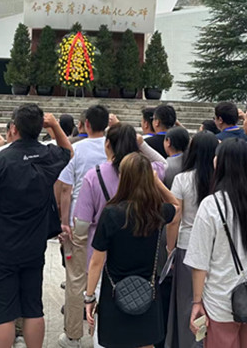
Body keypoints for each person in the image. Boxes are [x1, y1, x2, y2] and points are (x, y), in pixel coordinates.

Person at [0, 105, 73, 348]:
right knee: (33, 307)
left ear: (13, 128)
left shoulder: (0, 160)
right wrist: (55, 125)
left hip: (2, 244)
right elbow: (68, 151)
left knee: (3, 313)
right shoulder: (47, 156)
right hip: (34, 244)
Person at [84, 153, 180, 348]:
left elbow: (96, 261)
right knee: (146, 343)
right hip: (148, 290)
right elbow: (177, 207)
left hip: (114, 292)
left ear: (123, 177)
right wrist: (157, 183)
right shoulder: (156, 211)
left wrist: (89, 296)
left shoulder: (111, 213)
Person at [185, 138, 247, 348]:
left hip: (220, 297)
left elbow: (199, 261)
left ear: (219, 163)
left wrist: (197, 301)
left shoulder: (211, 205)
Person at [75, 124, 166, 265]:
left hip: (102, 257)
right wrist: (142, 144)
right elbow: (163, 164)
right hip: (140, 254)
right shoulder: (147, 171)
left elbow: (82, 224)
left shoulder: (93, 176)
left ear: (107, 144)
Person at [58, 105, 110, 348]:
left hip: (79, 223)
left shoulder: (75, 149)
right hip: (110, 221)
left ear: (86, 124)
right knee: (105, 276)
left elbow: (66, 189)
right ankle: (102, 329)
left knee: (76, 279)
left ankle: (73, 335)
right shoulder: (114, 148)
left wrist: (63, 221)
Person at [166, 131, 219, 348]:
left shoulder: (182, 179)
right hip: (216, 248)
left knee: (188, 304)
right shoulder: (220, 180)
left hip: (187, 246)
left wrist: (170, 249)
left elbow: (175, 219)